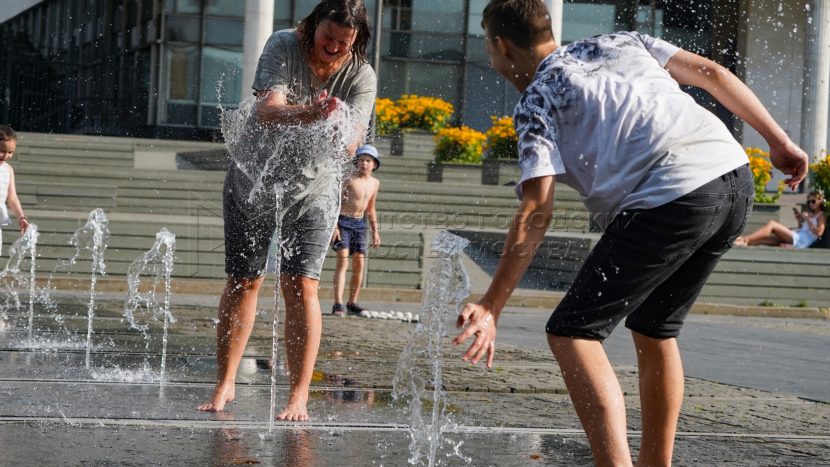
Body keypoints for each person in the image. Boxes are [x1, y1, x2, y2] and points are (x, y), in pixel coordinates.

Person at [451, 1, 808, 466]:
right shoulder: (618, 41)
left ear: (500, 45)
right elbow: (711, 73)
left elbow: (537, 210)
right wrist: (778, 141)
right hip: (733, 176)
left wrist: (492, 305)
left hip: (671, 195)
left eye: (488, 47)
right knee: (654, 327)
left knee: (572, 332)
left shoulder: (537, 101)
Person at [198, 0, 376, 422]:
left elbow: (351, 144)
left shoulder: (361, 75)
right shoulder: (283, 45)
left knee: (302, 286)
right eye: (327, 37)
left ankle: (298, 396)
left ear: (356, 42)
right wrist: (313, 112)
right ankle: (225, 383)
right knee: (244, 280)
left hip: (314, 189)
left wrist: (335, 124)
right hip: (251, 178)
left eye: (344, 43)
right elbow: (266, 110)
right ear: (313, 26)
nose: (333, 48)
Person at [331, 144, 381, 316]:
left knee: (359, 264)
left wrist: (375, 231)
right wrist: (334, 226)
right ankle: (338, 303)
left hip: (360, 224)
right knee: (343, 262)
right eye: (360, 160)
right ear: (356, 162)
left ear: (374, 164)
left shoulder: (375, 183)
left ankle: (352, 302)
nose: (364, 164)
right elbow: (335, 203)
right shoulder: (348, 179)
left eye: (368, 160)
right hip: (344, 221)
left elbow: (371, 208)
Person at [735, 191, 825, 248]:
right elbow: (804, 229)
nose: (810, 204)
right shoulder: (811, 214)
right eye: (809, 202)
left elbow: (819, 233)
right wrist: (799, 220)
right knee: (767, 239)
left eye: (813, 201)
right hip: (798, 237)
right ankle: (744, 242)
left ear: (820, 200)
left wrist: (807, 218)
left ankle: (744, 239)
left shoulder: (821, 215)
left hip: (801, 241)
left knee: (772, 224)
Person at [0, 125, 30, 252]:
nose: (6, 155)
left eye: (10, 152)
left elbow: (12, 197)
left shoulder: (8, 170)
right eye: (2, 150)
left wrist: (21, 217)